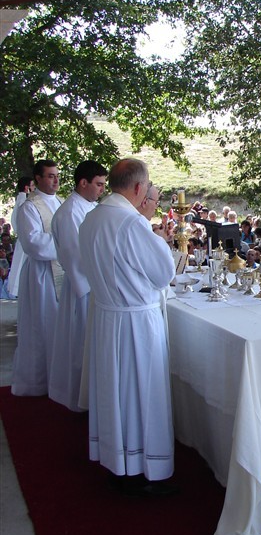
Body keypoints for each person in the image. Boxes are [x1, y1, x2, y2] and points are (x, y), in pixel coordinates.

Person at [79, 158, 177, 496]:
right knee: (140, 394)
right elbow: (164, 272)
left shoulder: (92, 218)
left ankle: (118, 463)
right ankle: (144, 470)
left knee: (115, 393)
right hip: (136, 322)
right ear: (138, 188)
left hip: (108, 318)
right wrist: (153, 231)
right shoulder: (131, 223)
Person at [48, 160, 108, 412]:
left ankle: (89, 395)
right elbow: (76, 256)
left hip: (93, 284)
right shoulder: (71, 212)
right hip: (83, 287)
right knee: (79, 344)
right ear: (83, 182)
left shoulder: (89, 207)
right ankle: (77, 397)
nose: (102, 190)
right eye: (98, 184)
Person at [11, 160, 63, 396]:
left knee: (58, 327)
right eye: (50, 176)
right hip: (41, 276)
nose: (55, 180)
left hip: (62, 271)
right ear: (38, 179)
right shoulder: (29, 208)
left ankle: (58, 379)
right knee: (40, 326)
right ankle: (36, 383)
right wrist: (68, 244)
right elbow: (33, 243)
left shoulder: (61, 203)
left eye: (57, 175)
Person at [5, 176, 35, 298]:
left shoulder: (23, 201)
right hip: (25, 242)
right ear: (27, 188)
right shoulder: (24, 202)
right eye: (33, 185)